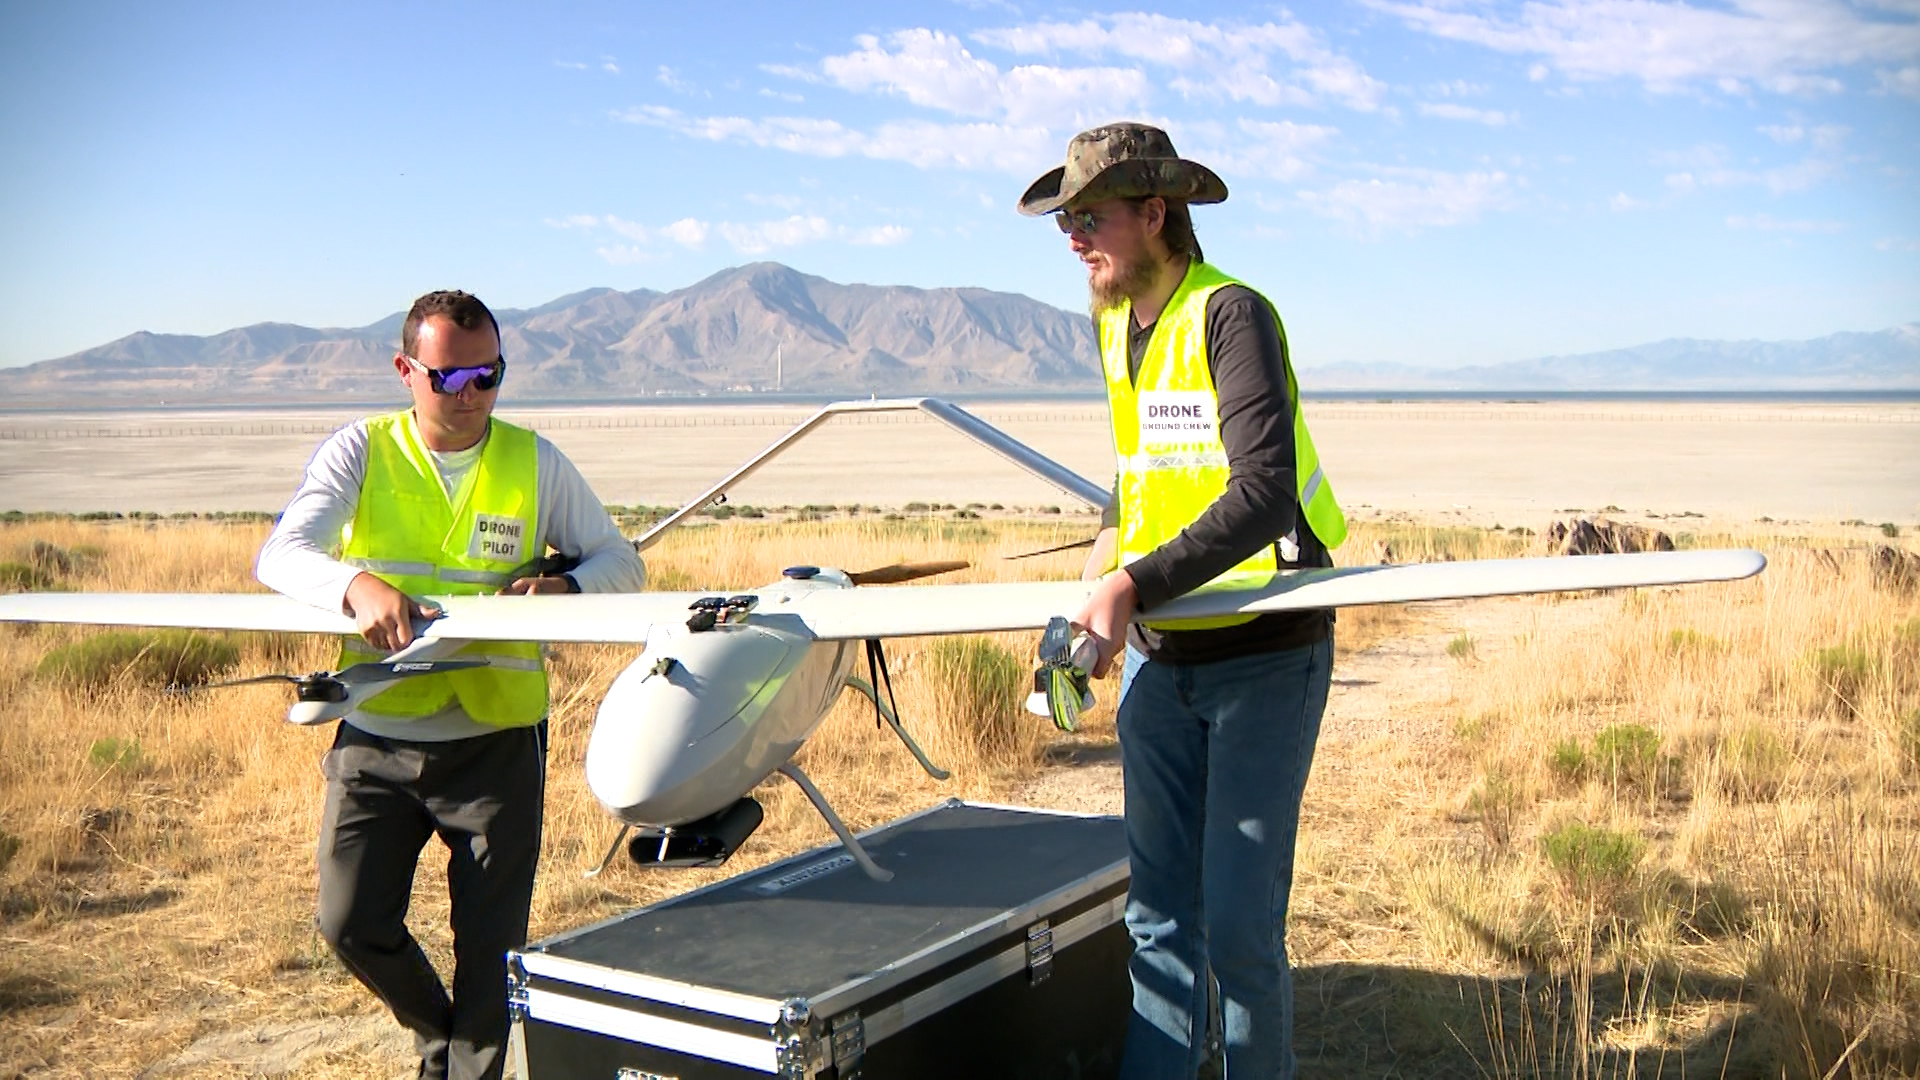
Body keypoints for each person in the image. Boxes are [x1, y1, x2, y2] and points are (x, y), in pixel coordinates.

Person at [1019, 124, 1348, 1078]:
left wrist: (1130, 586)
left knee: (1241, 933)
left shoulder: (1232, 316)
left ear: (1155, 214)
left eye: (1090, 216)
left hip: (1265, 653)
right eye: (1064, 221)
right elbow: (1143, 473)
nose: (1074, 237)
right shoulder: (1114, 322)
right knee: (1157, 921)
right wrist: (1101, 577)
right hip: (1166, 662)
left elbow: (1264, 492)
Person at [255, 289, 645, 1080]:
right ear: (406, 370)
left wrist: (567, 590)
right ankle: (443, 1038)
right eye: (447, 379)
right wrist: (355, 586)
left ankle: (469, 1065)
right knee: (348, 921)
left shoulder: (534, 461)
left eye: (487, 377)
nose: (469, 396)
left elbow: (622, 563)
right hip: (378, 732)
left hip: (497, 742)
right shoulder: (360, 451)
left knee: (491, 954)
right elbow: (282, 554)